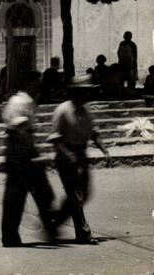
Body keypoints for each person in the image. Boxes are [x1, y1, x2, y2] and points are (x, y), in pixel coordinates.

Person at [47, 75, 111, 245]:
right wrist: (68, 154)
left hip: (81, 155)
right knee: (75, 196)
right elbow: (55, 138)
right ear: (75, 93)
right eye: (84, 92)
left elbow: (94, 133)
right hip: (65, 156)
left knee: (85, 194)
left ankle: (53, 222)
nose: (87, 95)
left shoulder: (86, 110)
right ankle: (83, 233)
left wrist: (104, 150)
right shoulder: (62, 110)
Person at [1, 92, 57, 247]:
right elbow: (20, 127)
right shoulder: (22, 101)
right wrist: (31, 154)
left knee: (29, 194)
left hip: (21, 147)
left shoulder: (21, 100)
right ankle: (48, 229)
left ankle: (11, 236)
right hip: (20, 148)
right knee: (20, 195)